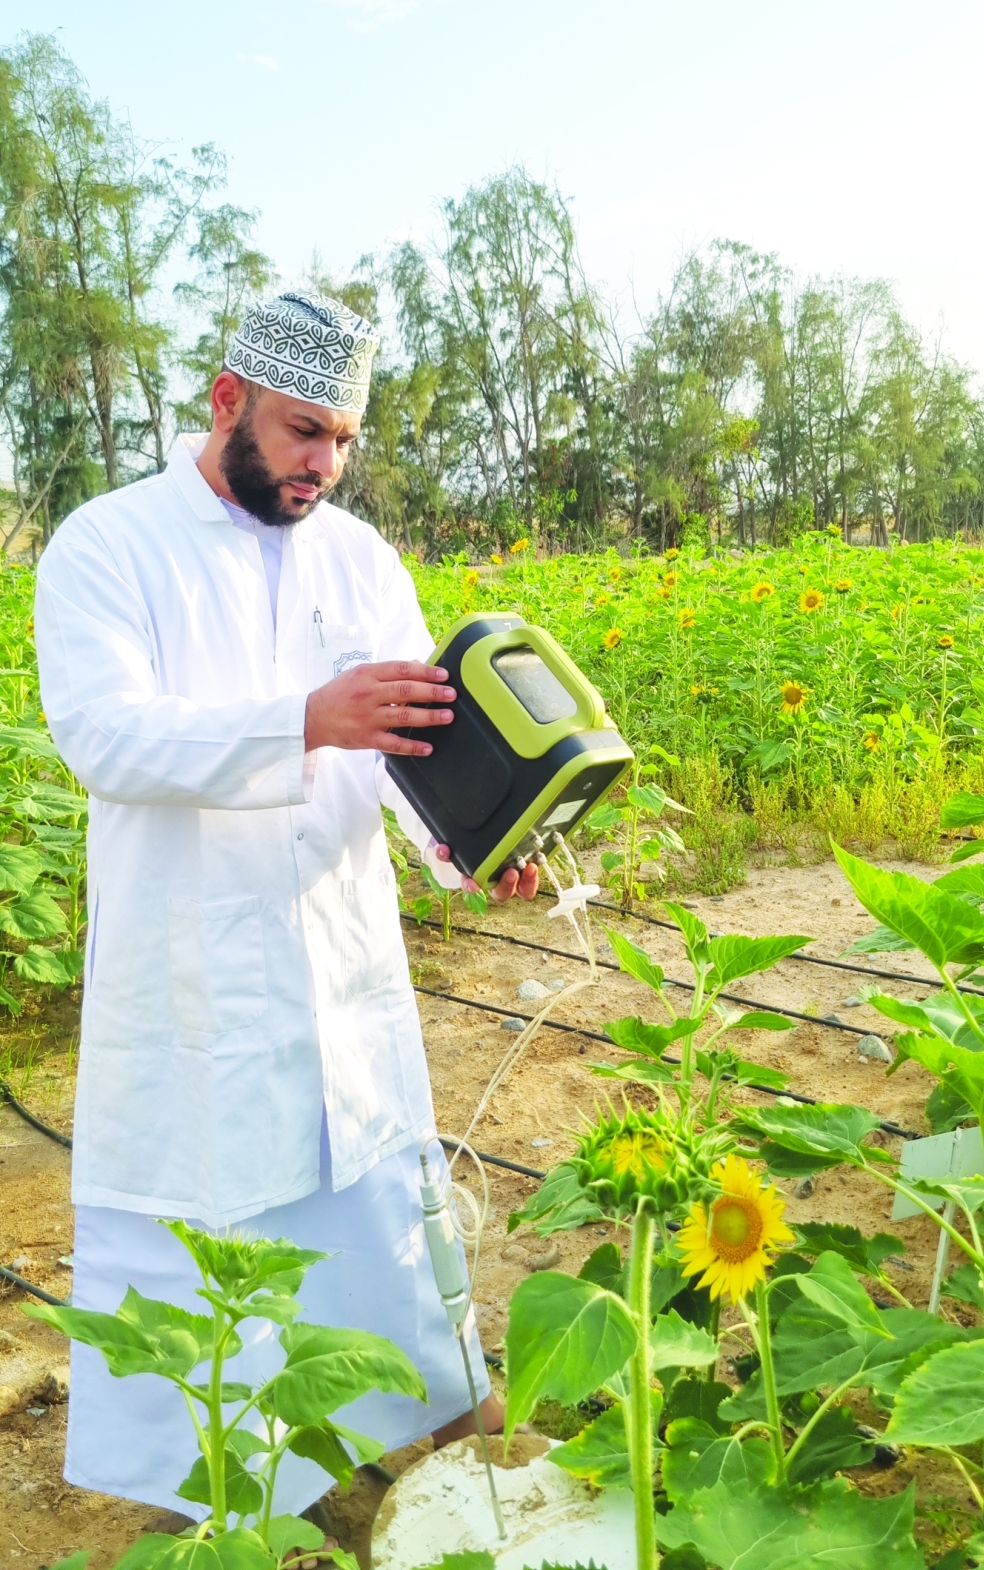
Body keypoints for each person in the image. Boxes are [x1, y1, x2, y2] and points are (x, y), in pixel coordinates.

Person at [34, 290, 539, 1529]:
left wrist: (470, 845)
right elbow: (105, 736)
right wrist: (302, 718)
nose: (325, 464)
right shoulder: (108, 544)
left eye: (346, 440)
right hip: (191, 970)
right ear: (226, 403)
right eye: (305, 432)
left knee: (373, 1195)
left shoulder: (360, 560)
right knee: (207, 1244)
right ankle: (212, 1498)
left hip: (337, 958)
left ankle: (429, 1422)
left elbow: (414, 745)